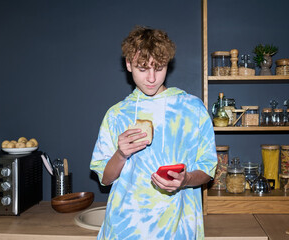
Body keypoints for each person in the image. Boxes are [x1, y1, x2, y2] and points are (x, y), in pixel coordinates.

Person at [90, 26, 217, 240]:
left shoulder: (193, 109)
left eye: (159, 68)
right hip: (125, 229)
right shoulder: (116, 115)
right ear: (129, 65)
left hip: (178, 230)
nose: (151, 78)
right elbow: (105, 178)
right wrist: (121, 154)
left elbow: (208, 169)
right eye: (143, 68)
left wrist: (185, 180)